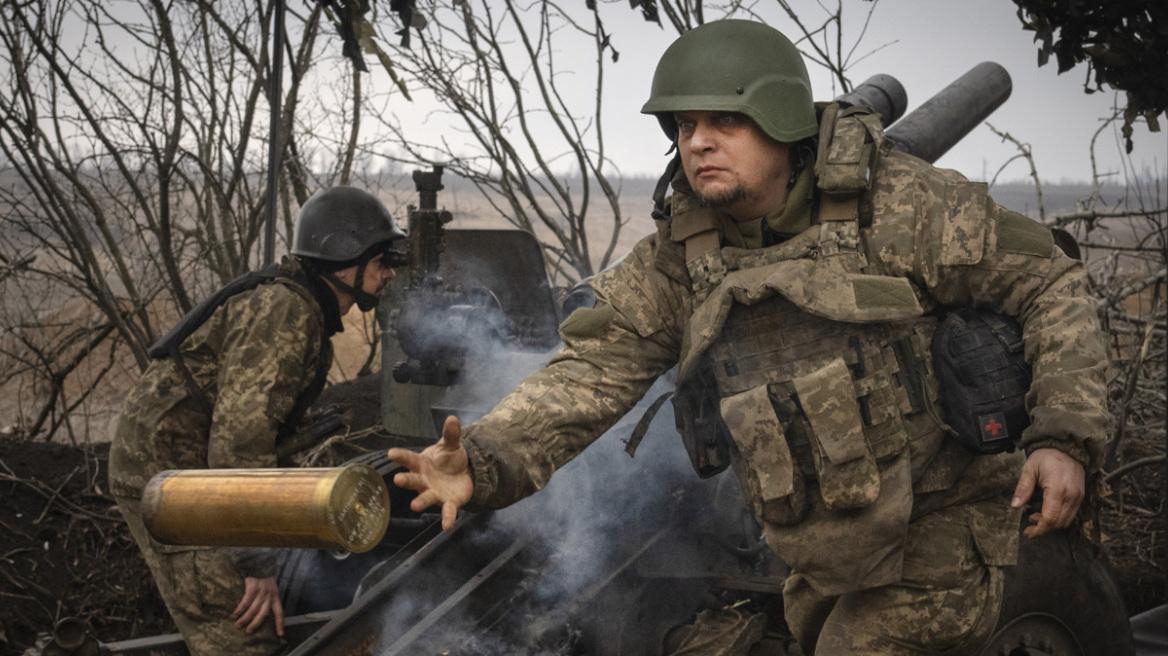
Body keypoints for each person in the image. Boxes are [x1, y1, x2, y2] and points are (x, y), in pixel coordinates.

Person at [388, 19, 1109, 655]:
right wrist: (481, 460)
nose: (697, 143)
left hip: (946, 524)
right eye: (682, 126)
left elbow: (1049, 282)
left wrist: (1063, 437)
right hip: (826, 551)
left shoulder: (902, 206)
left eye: (723, 122)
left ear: (782, 122)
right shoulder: (682, 258)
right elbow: (586, 375)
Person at [108, 186, 405, 656]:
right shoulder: (286, 311)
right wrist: (256, 566)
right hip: (169, 482)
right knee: (243, 636)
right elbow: (238, 447)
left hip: (193, 472)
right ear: (343, 256)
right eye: (383, 258)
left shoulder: (301, 305)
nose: (389, 273)